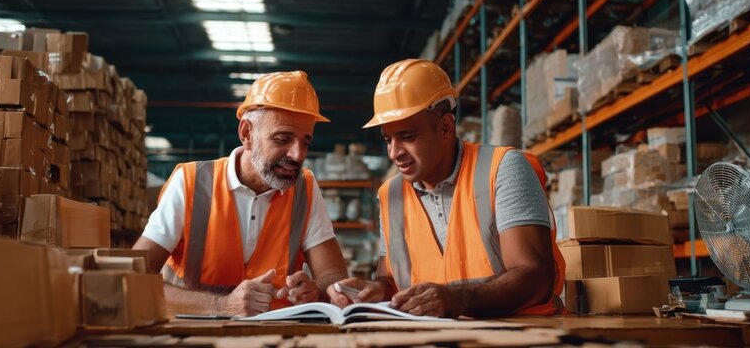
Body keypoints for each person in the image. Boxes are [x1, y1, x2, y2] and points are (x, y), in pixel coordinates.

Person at [327, 59, 565, 318]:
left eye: (407, 137)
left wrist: (458, 298)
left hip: (521, 334)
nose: (395, 153)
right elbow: (390, 279)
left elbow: (535, 276)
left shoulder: (502, 169)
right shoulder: (390, 194)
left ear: (445, 127)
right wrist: (375, 289)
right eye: (388, 139)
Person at [134, 71, 347, 317]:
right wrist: (222, 306)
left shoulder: (305, 188)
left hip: (277, 337)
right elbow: (134, 276)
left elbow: (333, 278)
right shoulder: (191, 183)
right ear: (246, 133)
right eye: (283, 139)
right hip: (194, 334)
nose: (298, 155)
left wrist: (316, 290)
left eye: (305, 142)